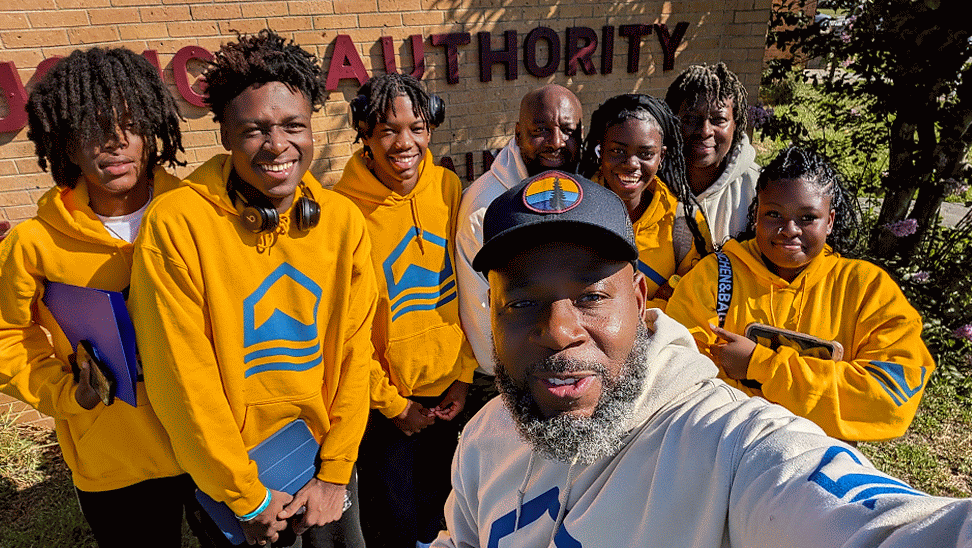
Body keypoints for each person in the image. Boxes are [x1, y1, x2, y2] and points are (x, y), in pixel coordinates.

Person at [432, 169, 971, 547]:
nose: (558, 332)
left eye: (593, 297)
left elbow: (885, 528)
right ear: (492, 316)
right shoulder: (486, 435)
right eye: (523, 303)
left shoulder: (731, 448)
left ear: (640, 301)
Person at [130, 30, 372, 547]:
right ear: (224, 136)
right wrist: (245, 495)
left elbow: (356, 355)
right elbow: (180, 380)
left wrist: (334, 472)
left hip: (325, 471)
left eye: (293, 126)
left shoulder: (342, 221)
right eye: (254, 130)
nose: (278, 145)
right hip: (239, 487)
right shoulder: (178, 224)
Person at [0, 47, 196, 548]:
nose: (113, 140)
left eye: (128, 122)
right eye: (91, 127)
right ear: (64, 144)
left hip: (212, 443)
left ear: (151, 128)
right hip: (115, 458)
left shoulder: (196, 213)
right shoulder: (35, 244)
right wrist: (66, 395)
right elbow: (7, 336)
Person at [666, 146, 934, 442]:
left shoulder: (866, 289)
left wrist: (760, 365)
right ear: (755, 215)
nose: (788, 229)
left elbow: (888, 398)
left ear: (829, 220)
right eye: (773, 214)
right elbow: (680, 373)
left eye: (807, 218)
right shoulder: (716, 277)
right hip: (726, 451)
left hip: (818, 462)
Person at [332, 73, 477, 548]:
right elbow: (346, 329)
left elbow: (463, 287)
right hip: (385, 406)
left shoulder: (448, 186)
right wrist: (393, 405)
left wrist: (463, 374)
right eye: (387, 131)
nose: (404, 142)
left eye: (416, 126)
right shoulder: (342, 209)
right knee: (395, 520)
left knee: (448, 514)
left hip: (447, 393)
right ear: (365, 137)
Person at [456, 83, 583, 374]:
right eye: (539, 131)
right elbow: (480, 313)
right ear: (517, 134)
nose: (556, 142)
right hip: (514, 376)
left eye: (568, 130)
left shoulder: (578, 189)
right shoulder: (484, 208)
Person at [579, 93, 707, 308]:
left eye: (646, 154)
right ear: (601, 151)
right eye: (617, 151)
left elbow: (693, 301)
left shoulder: (684, 221)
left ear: (662, 157)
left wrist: (671, 291)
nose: (631, 164)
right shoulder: (576, 209)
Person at [665, 62, 759, 254]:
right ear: (672, 121)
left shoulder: (758, 188)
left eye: (719, 120)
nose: (705, 131)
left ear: (737, 124)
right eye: (690, 119)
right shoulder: (650, 180)